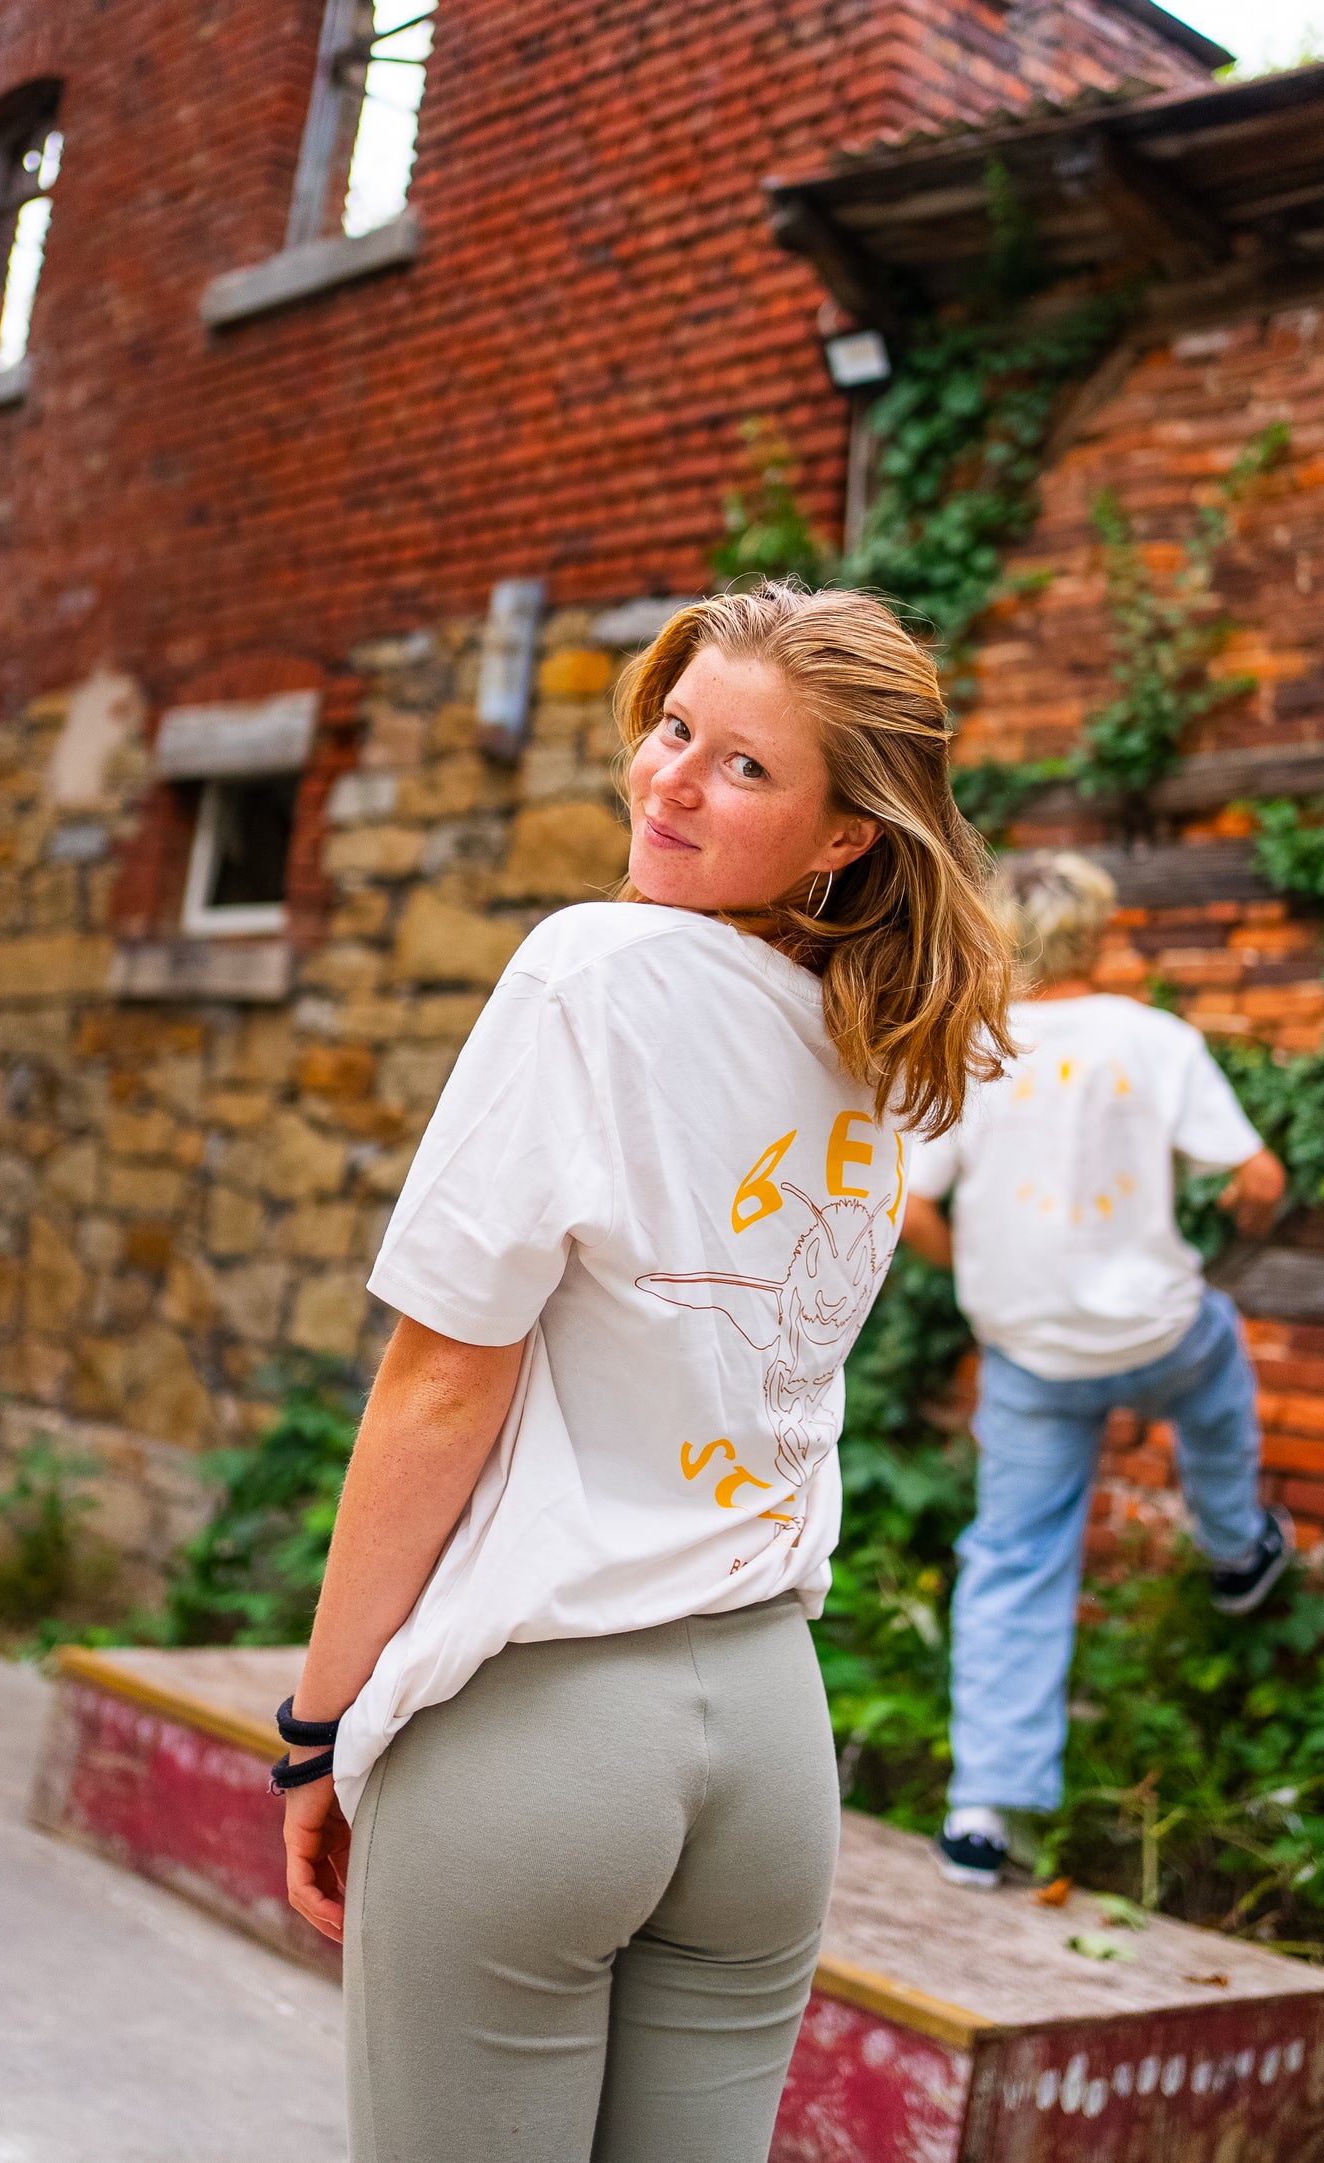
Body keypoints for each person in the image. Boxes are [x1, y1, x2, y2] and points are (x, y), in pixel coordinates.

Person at [274, 582, 1015, 2163]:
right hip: (765, 1738)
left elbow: (437, 1386)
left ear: (843, 838)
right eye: (673, 729)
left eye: (744, 766)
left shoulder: (588, 974)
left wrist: (318, 1721)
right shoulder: (878, 1038)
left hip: (541, 1722)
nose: (669, 778)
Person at [902, 849, 1292, 1892]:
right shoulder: (1151, 1040)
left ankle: (982, 1813)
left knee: (1014, 1558)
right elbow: (1253, 1173)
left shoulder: (969, 1049)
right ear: (1098, 933)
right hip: (1152, 1331)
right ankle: (1233, 1548)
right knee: (1217, 1385)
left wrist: (979, 1271)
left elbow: (906, 1202)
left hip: (1028, 1352)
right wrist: (1246, 1207)